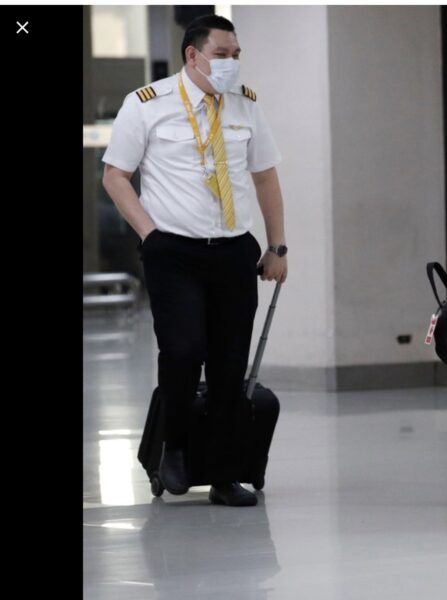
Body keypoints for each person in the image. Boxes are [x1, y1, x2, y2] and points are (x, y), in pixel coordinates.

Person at [102, 15, 288, 507]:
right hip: (173, 250)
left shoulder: (245, 104)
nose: (232, 63)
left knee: (229, 363)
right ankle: (176, 446)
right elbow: (115, 176)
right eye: (222, 54)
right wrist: (150, 234)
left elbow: (265, 176)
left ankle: (225, 474)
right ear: (193, 55)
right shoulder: (147, 104)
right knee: (183, 351)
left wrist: (277, 245)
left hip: (233, 249)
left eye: (236, 54)